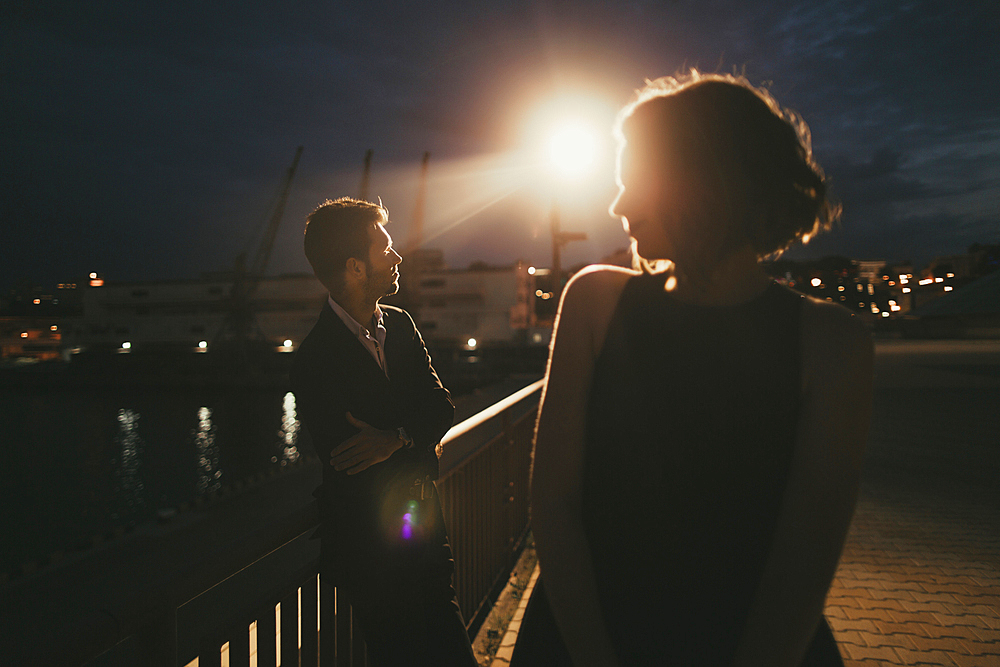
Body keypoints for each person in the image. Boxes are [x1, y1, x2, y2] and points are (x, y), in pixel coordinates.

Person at [521, 72, 873, 666]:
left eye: (635, 182)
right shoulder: (594, 300)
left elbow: (805, 558)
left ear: (704, 184)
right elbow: (552, 508)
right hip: (583, 638)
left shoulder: (834, 342)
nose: (618, 205)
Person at [290, 197, 477, 667]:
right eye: (385, 249)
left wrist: (396, 438)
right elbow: (352, 462)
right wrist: (416, 435)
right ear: (355, 267)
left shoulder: (400, 324)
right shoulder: (315, 360)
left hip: (425, 541)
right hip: (373, 561)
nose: (397, 258)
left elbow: (442, 408)